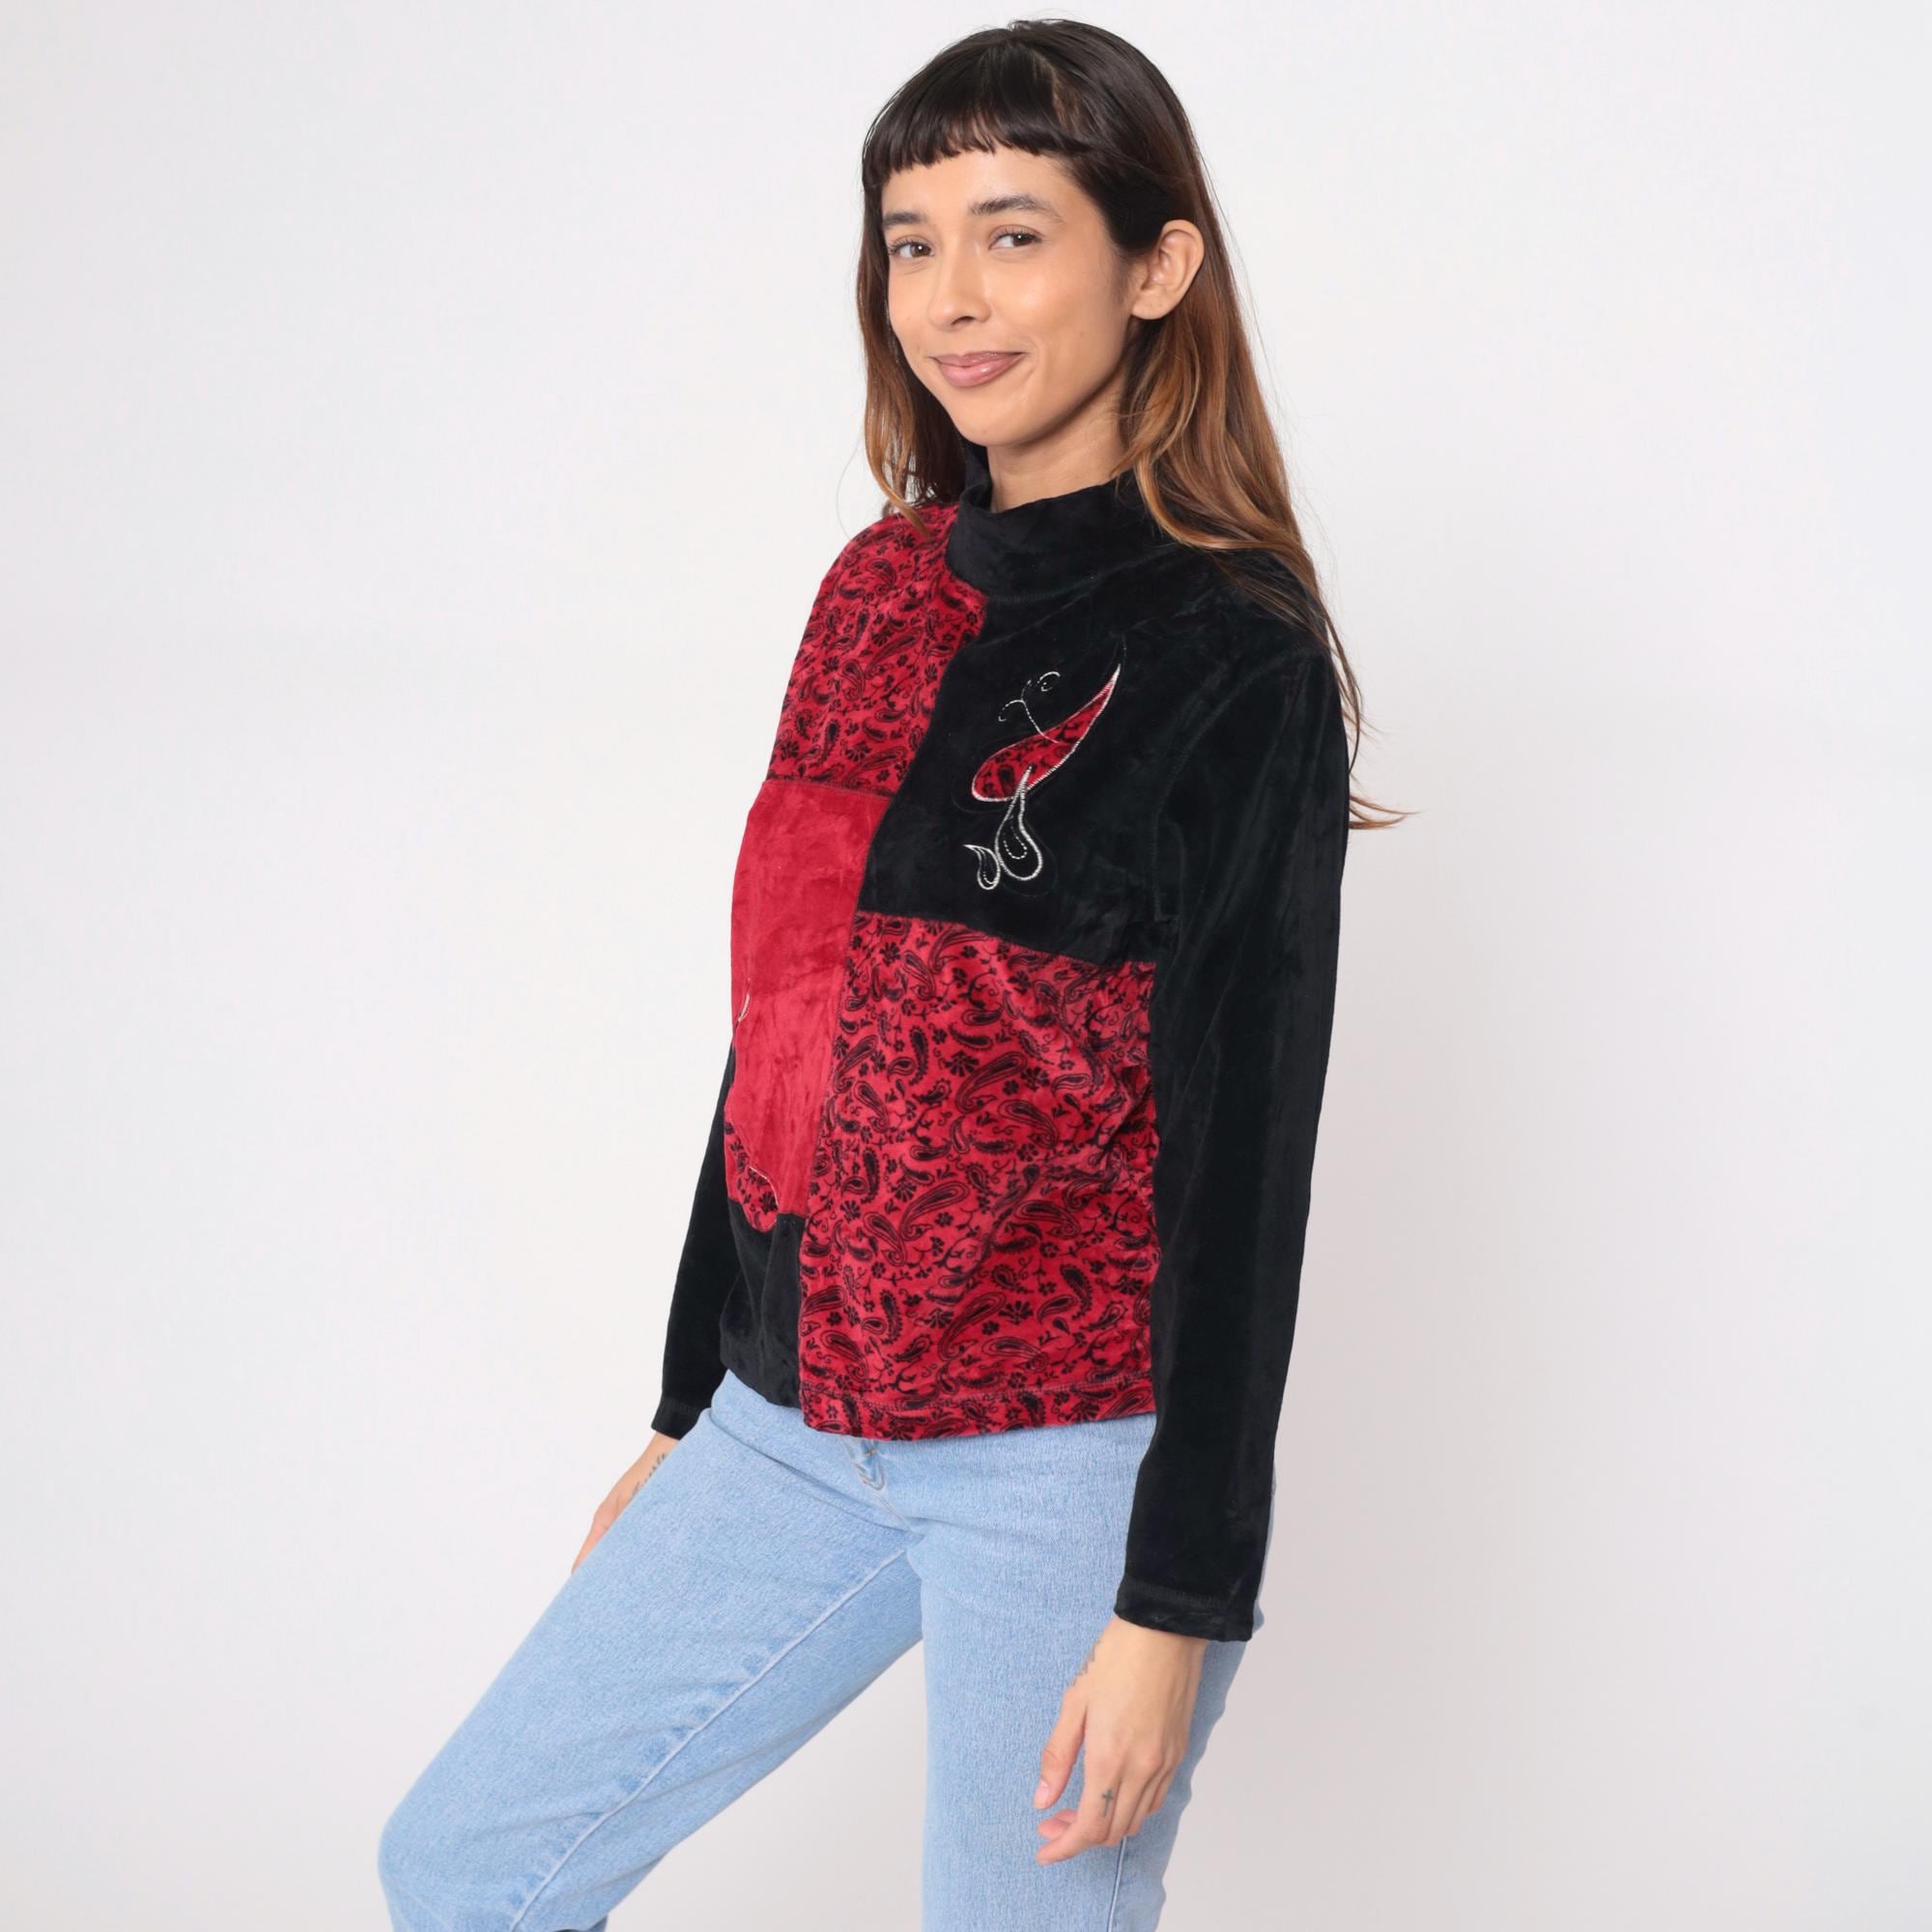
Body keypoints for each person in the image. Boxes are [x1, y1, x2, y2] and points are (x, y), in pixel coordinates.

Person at [379, 20, 1393, 1930]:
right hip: (788, 1424)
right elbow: (784, 1017)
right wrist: (690, 1405)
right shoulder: (874, 590)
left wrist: (1176, 1600)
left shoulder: (1233, 657)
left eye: (1013, 233)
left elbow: (1244, 1160)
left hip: (1063, 1460)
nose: (949, 297)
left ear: (1156, 265)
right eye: (911, 242)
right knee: (469, 1860)